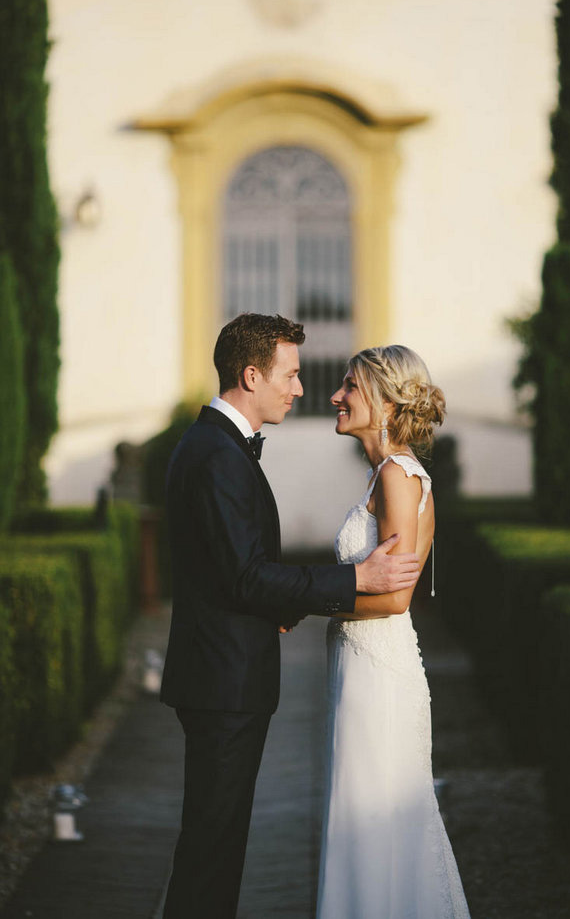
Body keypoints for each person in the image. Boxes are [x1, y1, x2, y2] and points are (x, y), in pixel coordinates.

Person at [160, 314, 422, 919]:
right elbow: (245, 574)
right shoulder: (218, 454)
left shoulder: (213, 447)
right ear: (252, 376)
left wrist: (284, 603)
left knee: (215, 846)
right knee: (210, 851)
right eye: (291, 374)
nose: (301, 389)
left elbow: (233, 568)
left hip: (221, 673)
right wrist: (353, 580)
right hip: (223, 682)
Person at [316, 345, 471, 919]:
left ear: (382, 400)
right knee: (360, 815)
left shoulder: (399, 477)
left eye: (349, 386)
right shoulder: (382, 473)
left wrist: (312, 603)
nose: (336, 396)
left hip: (378, 672)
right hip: (359, 666)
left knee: (375, 820)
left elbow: (396, 595)